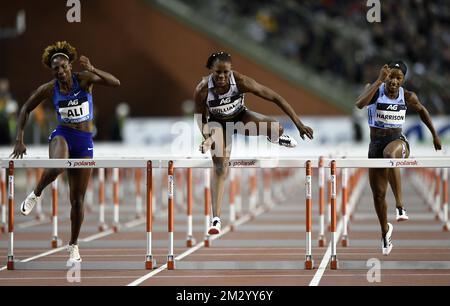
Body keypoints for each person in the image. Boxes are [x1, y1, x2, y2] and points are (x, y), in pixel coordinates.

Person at [10, 41, 120, 262]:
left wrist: (93, 68)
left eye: (63, 67)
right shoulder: (50, 88)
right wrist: (19, 139)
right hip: (63, 134)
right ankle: (36, 192)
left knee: (77, 200)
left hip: (84, 140)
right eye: (55, 69)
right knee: (58, 165)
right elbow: (26, 108)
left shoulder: (85, 79)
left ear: (70, 65)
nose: (60, 72)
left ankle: (73, 246)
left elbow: (115, 82)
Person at [194, 51, 313, 235]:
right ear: (211, 70)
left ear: (231, 70)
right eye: (218, 72)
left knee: (277, 128)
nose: (222, 77)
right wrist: (207, 138)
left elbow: (275, 97)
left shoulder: (240, 81)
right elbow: (200, 119)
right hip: (218, 126)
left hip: (241, 117)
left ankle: (274, 137)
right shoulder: (202, 89)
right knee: (220, 167)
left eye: (226, 72)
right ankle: (216, 219)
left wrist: (299, 124)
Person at [355, 60, 441, 255]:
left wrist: (434, 135)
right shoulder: (375, 90)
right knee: (378, 195)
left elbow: (423, 111)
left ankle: (400, 206)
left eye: (398, 78)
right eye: (391, 76)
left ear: (403, 80)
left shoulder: (408, 96)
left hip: (398, 141)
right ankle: (385, 230)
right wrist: (378, 80)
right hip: (375, 145)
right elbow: (359, 104)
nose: (393, 81)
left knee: (390, 154)